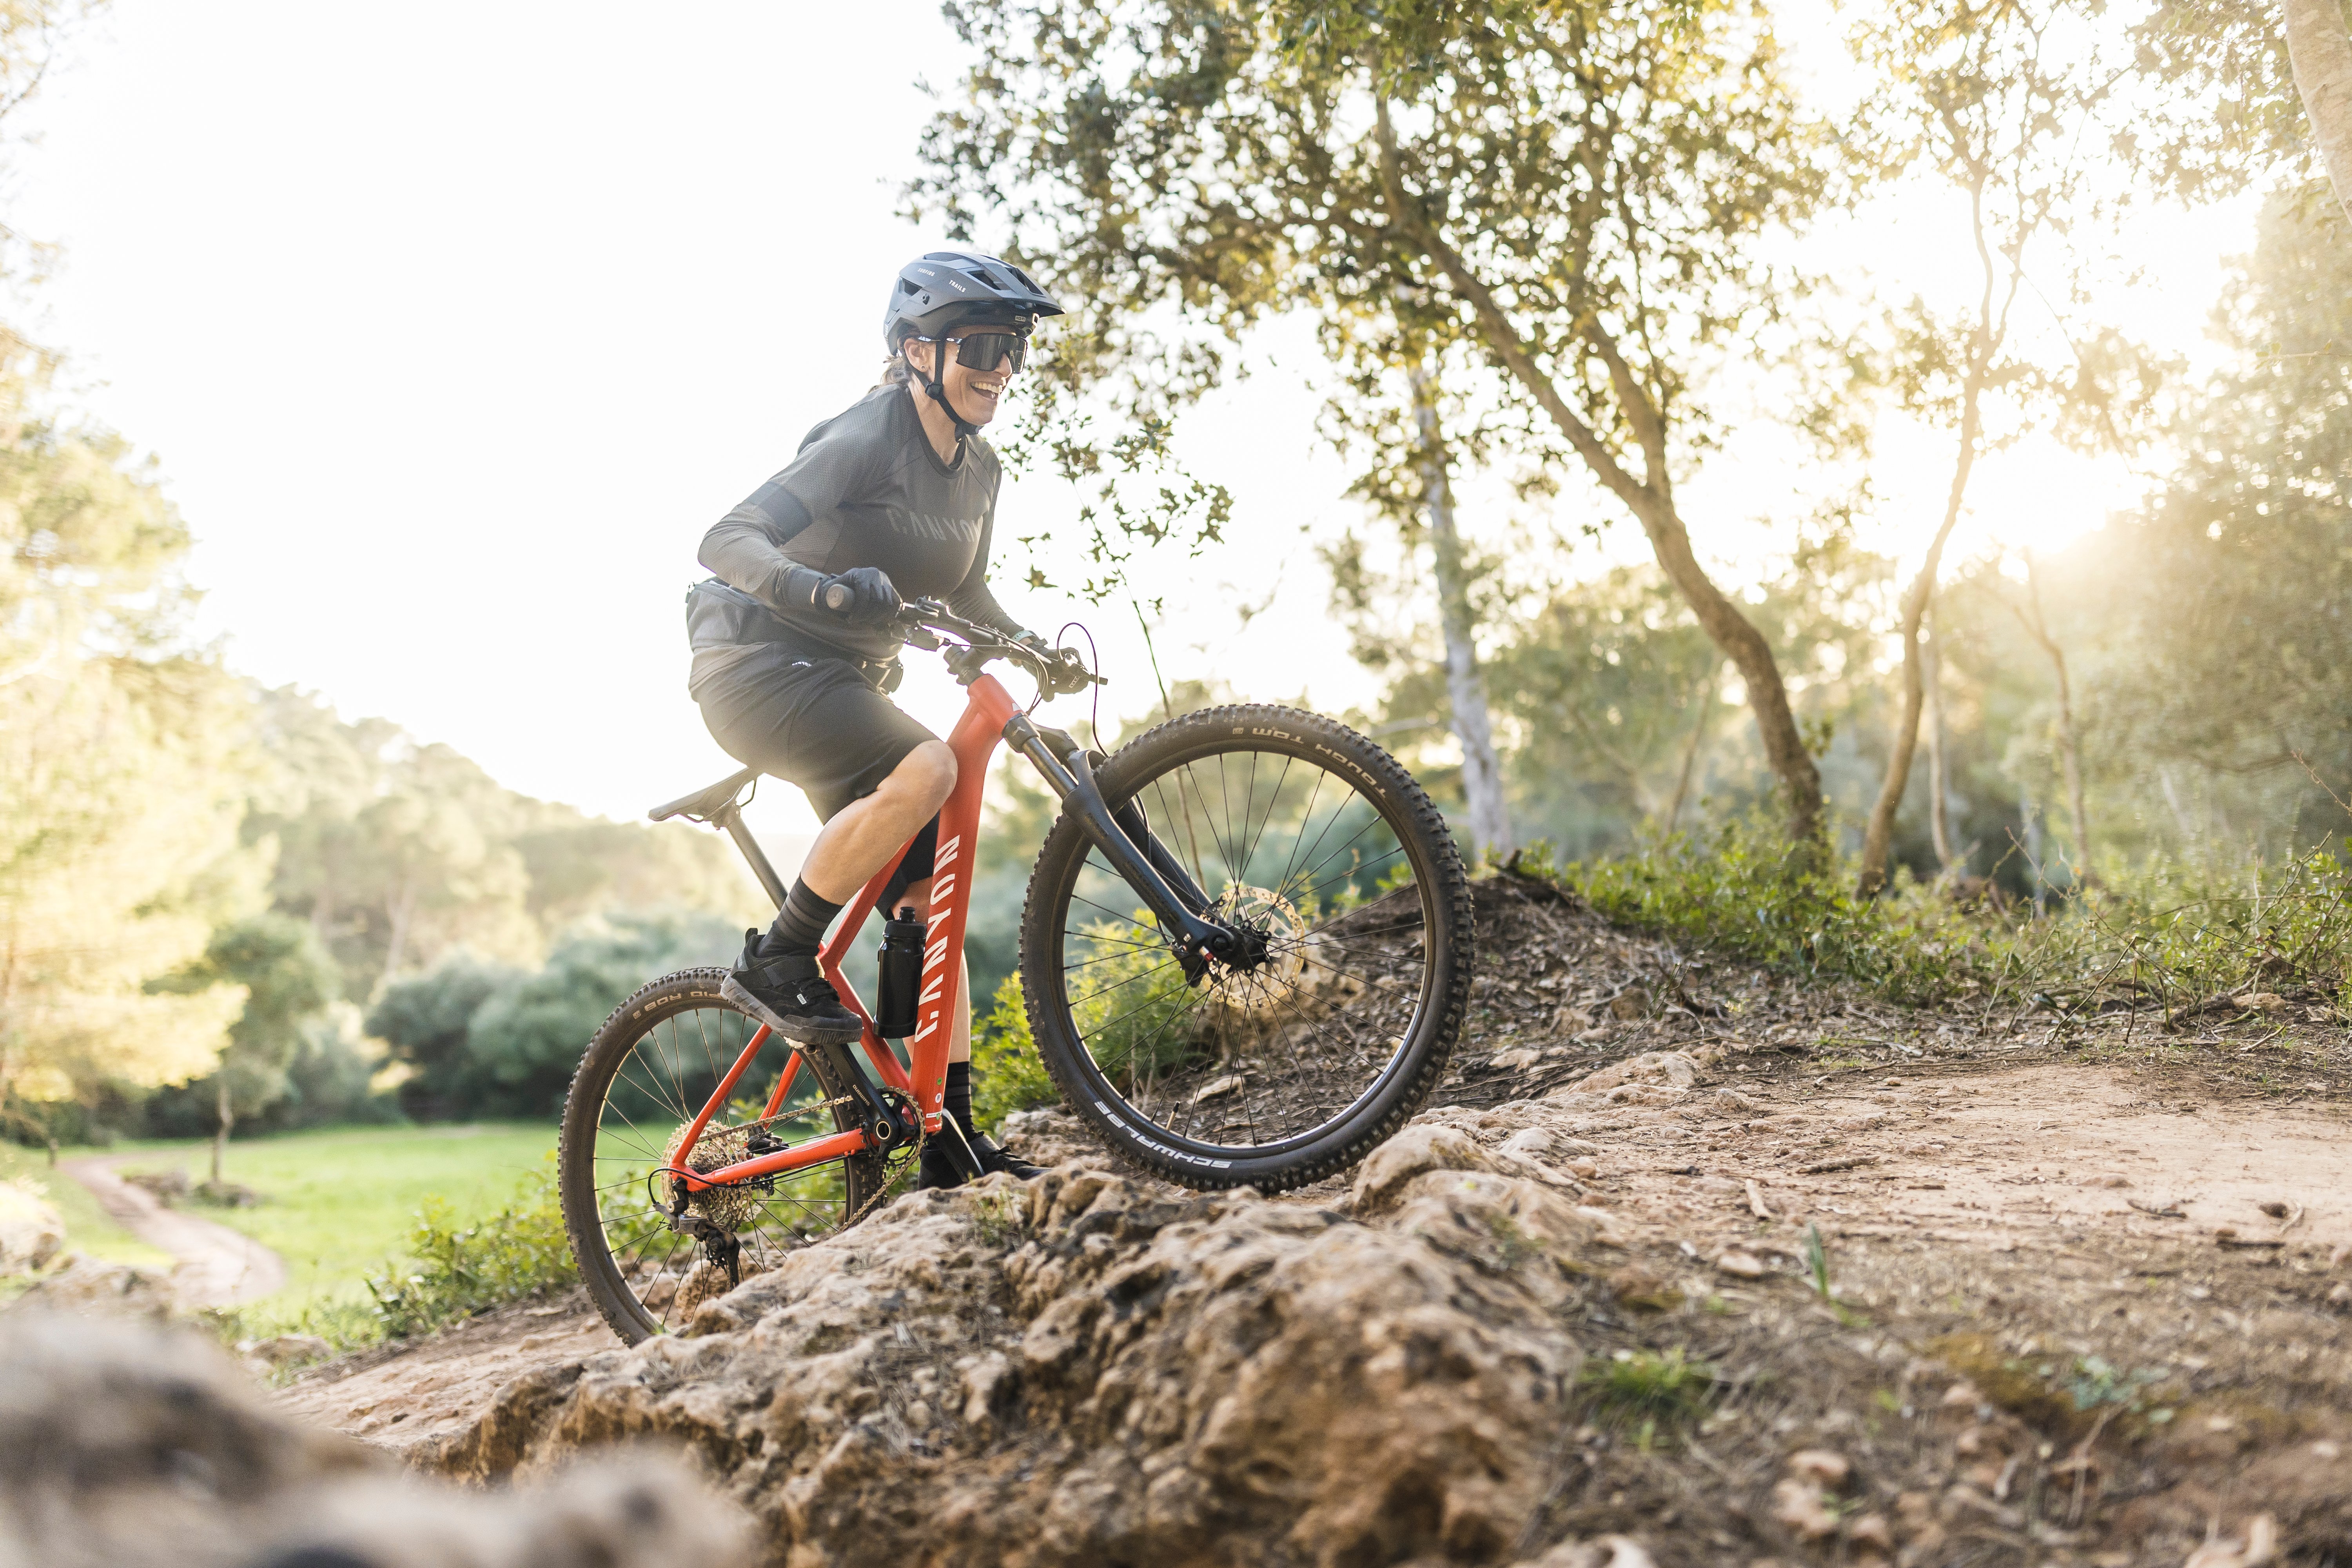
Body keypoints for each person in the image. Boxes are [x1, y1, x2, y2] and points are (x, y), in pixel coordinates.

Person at [685, 249, 1063, 1189]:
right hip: (756, 666)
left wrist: (1030, 644)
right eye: (981, 343)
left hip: (844, 685)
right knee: (931, 764)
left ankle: (949, 1139)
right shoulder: (865, 436)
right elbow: (725, 537)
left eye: (1013, 347)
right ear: (916, 350)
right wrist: (814, 585)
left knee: (935, 911)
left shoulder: (982, 471)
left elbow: (964, 587)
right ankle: (780, 957)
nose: (1001, 365)